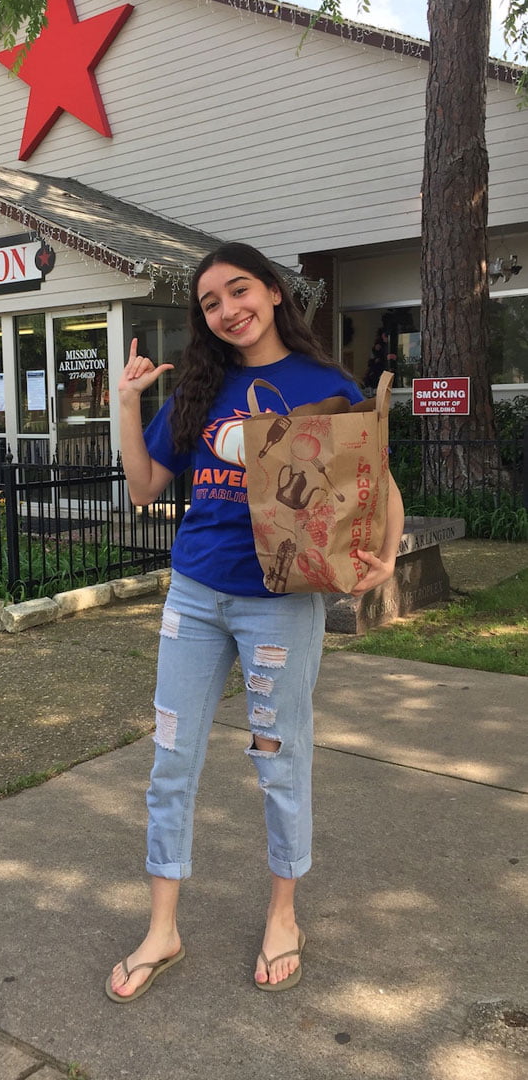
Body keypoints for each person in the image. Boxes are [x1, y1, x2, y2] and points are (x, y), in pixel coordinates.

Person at [106, 242, 404, 1001]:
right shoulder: (201, 389)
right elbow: (144, 489)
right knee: (171, 759)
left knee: (279, 759)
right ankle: (162, 929)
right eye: (211, 303)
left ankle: (283, 917)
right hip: (196, 597)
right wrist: (127, 402)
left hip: (282, 601)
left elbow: (376, 479)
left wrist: (388, 555)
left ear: (272, 293)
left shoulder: (324, 384)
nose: (228, 309)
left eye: (239, 291)